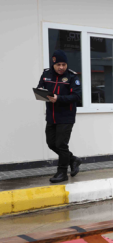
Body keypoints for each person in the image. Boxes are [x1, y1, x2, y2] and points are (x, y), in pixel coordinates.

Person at [37, 50, 82, 183]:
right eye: (59, 65)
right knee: (51, 143)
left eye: (64, 64)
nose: (61, 67)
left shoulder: (72, 77)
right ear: (53, 63)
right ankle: (73, 159)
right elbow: (41, 89)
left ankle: (62, 172)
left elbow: (76, 96)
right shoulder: (46, 74)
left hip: (66, 116)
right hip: (51, 116)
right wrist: (42, 94)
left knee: (61, 144)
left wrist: (59, 98)